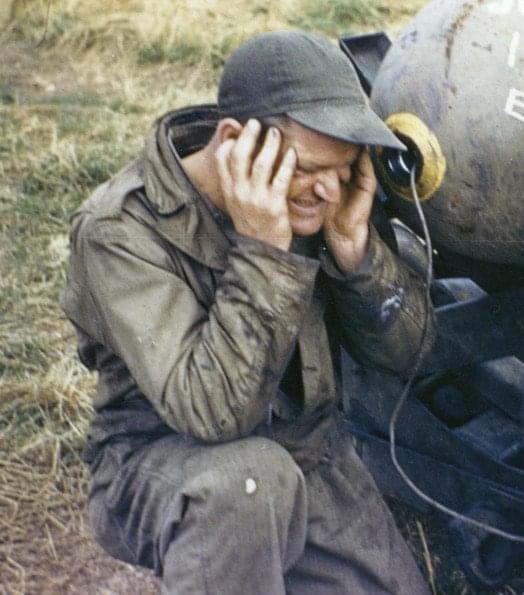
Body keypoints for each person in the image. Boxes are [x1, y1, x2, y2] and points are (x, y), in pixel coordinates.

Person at [61, 30, 434, 594]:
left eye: (343, 170)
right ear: (236, 139)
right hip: (164, 461)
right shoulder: (119, 231)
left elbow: (412, 354)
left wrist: (357, 254)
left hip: (309, 451)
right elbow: (212, 415)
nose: (329, 190)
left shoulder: (323, 198)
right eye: (309, 168)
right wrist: (264, 250)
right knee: (249, 483)